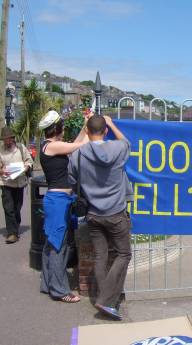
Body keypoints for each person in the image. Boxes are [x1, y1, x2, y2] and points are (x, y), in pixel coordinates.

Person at [68, 115, 132, 320]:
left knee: (100, 257)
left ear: (87, 131)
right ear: (105, 131)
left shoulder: (78, 154)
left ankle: (105, 300)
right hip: (116, 213)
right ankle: (106, 300)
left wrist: (84, 129)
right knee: (124, 254)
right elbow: (127, 143)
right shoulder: (117, 148)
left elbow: (71, 178)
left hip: (93, 213)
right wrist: (112, 123)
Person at [39, 110, 87, 303]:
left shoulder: (50, 145)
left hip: (59, 201)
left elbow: (75, 143)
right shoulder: (52, 146)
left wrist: (85, 126)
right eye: (62, 126)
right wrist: (92, 130)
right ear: (56, 128)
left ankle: (48, 283)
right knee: (58, 245)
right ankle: (59, 291)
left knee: (52, 243)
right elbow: (81, 146)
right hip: (58, 201)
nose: (64, 128)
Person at [0, 127, 33, 243]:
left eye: (8, 139)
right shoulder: (0, 150)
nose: (6, 141)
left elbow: (29, 160)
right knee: (8, 208)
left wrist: (26, 167)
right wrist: (2, 171)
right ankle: (12, 234)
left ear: (12, 138)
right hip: (6, 182)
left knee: (17, 208)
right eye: (4, 139)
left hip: (19, 183)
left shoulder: (21, 148)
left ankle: (15, 227)